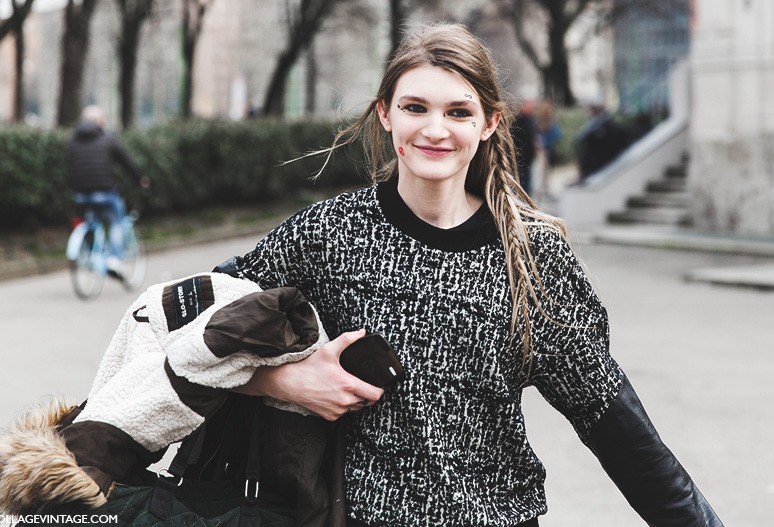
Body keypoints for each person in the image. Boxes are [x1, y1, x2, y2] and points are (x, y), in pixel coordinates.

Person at [215, 23, 724, 527]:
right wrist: (284, 381)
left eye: (458, 111)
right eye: (415, 107)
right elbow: (187, 336)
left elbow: (615, 426)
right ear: (385, 114)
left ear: (488, 124)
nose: (435, 130)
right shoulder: (328, 233)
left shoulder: (532, 255)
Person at [69, 105, 149, 276]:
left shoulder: (74, 140)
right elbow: (126, 162)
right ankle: (114, 259)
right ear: (98, 121)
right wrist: (140, 179)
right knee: (117, 219)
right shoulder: (108, 138)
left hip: (80, 194)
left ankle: (90, 253)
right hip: (104, 191)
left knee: (91, 219)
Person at [510, 99, 539, 196]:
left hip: (528, 158)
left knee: (527, 182)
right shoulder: (518, 121)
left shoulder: (531, 120)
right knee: (521, 181)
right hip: (521, 157)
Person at [536, 99, 562, 197]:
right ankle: (542, 188)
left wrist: (544, 142)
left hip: (546, 149)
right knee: (541, 169)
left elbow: (556, 134)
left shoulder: (551, 121)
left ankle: (544, 188)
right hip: (540, 149)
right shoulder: (540, 119)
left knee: (545, 169)